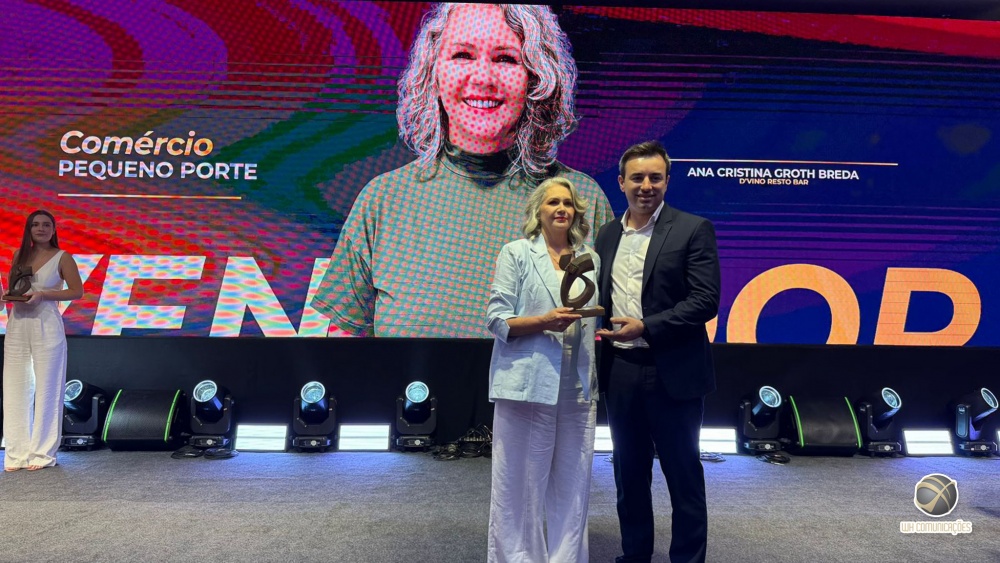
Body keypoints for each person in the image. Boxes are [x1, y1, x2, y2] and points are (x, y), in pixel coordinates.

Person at [311, 3, 612, 337]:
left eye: (505, 59)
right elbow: (343, 347)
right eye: (463, 55)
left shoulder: (583, 200)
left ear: (536, 79)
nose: (483, 78)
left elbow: (621, 338)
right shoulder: (383, 200)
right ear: (434, 73)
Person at [594, 141, 721, 563]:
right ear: (621, 183)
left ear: (667, 181)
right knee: (628, 475)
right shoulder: (607, 234)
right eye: (637, 177)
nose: (646, 185)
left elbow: (705, 300)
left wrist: (647, 326)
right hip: (621, 370)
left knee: (683, 476)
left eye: (655, 177)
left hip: (674, 371)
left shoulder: (693, 228)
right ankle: (634, 557)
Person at [485, 177, 600, 562]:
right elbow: (497, 319)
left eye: (568, 202)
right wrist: (544, 321)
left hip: (577, 386)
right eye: (553, 202)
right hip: (526, 384)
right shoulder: (516, 252)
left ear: (577, 211)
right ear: (538, 211)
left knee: (574, 487)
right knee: (518, 488)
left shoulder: (591, 258)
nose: (562, 208)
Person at [3, 210, 84, 472]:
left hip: (47, 325)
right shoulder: (19, 255)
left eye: (46, 225)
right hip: (18, 324)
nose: (41, 229)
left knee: (48, 389)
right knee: (14, 388)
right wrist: (9, 298)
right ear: (28, 229)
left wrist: (43, 295)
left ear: (53, 229)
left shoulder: (63, 257)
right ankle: (16, 453)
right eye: (36, 224)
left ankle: (42, 452)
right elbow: (15, 287)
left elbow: (77, 291)